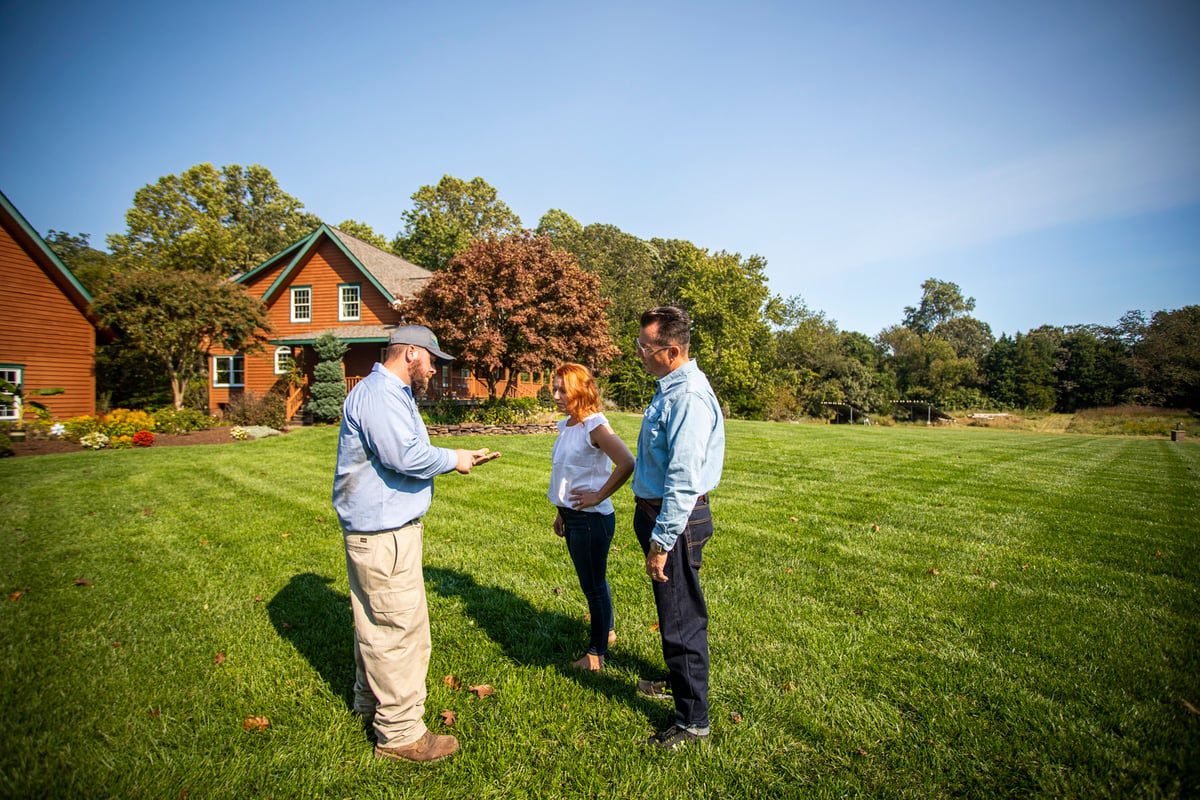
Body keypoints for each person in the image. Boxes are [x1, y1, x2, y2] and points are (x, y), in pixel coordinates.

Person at [332, 325, 501, 764]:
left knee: (378, 624)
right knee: (400, 632)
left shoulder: (389, 394)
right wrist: (457, 458)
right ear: (411, 353)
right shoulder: (379, 395)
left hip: (381, 532)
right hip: (384, 535)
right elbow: (404, 457)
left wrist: (452, 456)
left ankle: (370, 705)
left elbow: (405, 449)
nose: (434, 371)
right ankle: (401, 734)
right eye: (432, 361)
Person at [630, 306, 725, 751]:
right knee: (674, 612)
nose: (639, 354)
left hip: (677, 520)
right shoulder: (669, 386)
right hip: (664, 514)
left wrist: (661, 541)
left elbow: (684, 479)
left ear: (671, 351)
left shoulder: (686, 396)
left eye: (645, 347)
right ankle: (677, 683)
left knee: (682, 621)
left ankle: (693, 723)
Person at [548, 363, 635, 672]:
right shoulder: (569, 425)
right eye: (555, 388)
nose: (556, 395)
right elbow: (567, 473)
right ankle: (607, 631)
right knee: (595, 583)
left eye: (563, 389)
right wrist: (561, 512)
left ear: (581, 391)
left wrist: (599, 495)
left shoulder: (594, 425)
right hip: (573, 518)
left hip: (591, 520)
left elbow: (626, 462)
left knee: (594, 587)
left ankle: (596, 656)